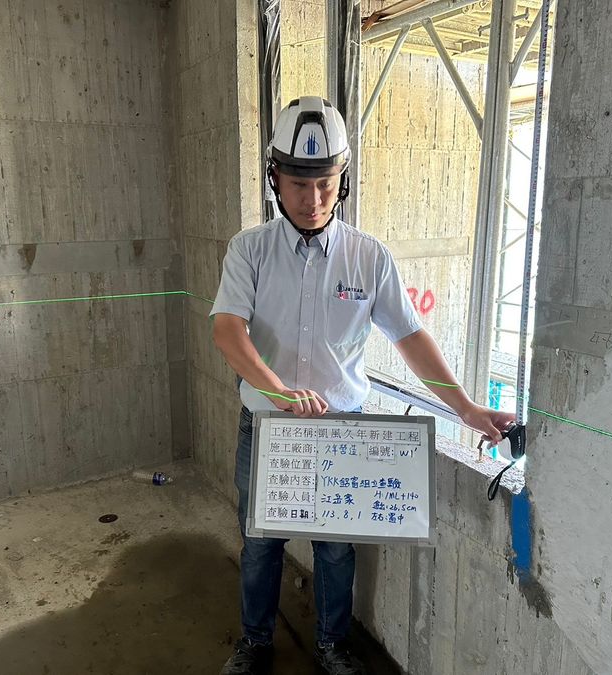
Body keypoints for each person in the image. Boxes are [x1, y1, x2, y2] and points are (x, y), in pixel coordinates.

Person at [212, 96, 514, 675]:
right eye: (298, 184)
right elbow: (228, 331)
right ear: (275, 178)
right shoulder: (249, 250)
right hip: (268, 428)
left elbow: (411, 338)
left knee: (335, 547)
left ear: (342, 179)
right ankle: (255, 643)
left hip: (340, 430)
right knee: (260, 543)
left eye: (325, 184)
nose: (313, 199)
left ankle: (332, 645)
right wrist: (278, 393)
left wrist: (467, 408)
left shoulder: (369, 257)